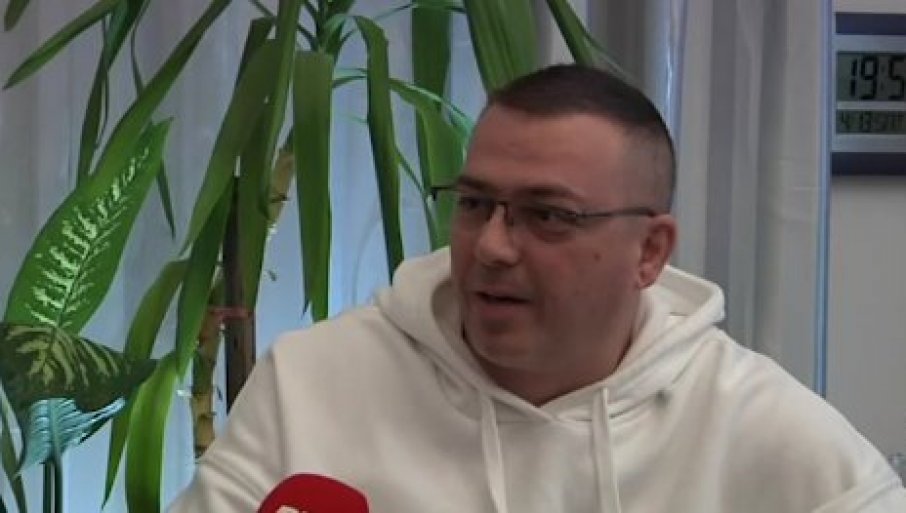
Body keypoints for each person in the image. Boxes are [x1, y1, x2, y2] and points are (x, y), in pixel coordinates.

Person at [168, 64, 906, 512]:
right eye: (475, 203)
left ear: (650, 251)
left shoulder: (763, 431)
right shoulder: (311, 386)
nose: (492, 246)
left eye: (548, 215)